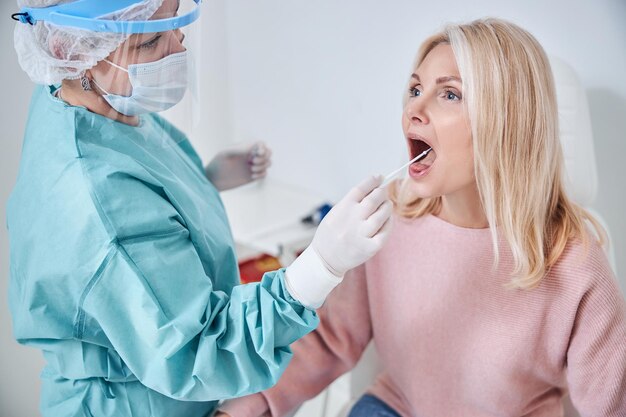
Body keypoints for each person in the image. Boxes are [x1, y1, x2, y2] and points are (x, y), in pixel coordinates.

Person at [216, 18, 626, 417]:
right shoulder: (385, 223)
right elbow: (325, 341)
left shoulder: (574, 264)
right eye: (415, 89)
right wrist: (248, 409)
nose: (414, 108)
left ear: (508, 122)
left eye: (449, 95)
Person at [6, 1, 393, 416]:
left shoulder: (96, 104)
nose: (177, 49)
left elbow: (141, 202)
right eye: (153, 40)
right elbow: (200, 349)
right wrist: (321, 266)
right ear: (68, 51)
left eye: (179, 28)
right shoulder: (95, 193)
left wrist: (205, 180)